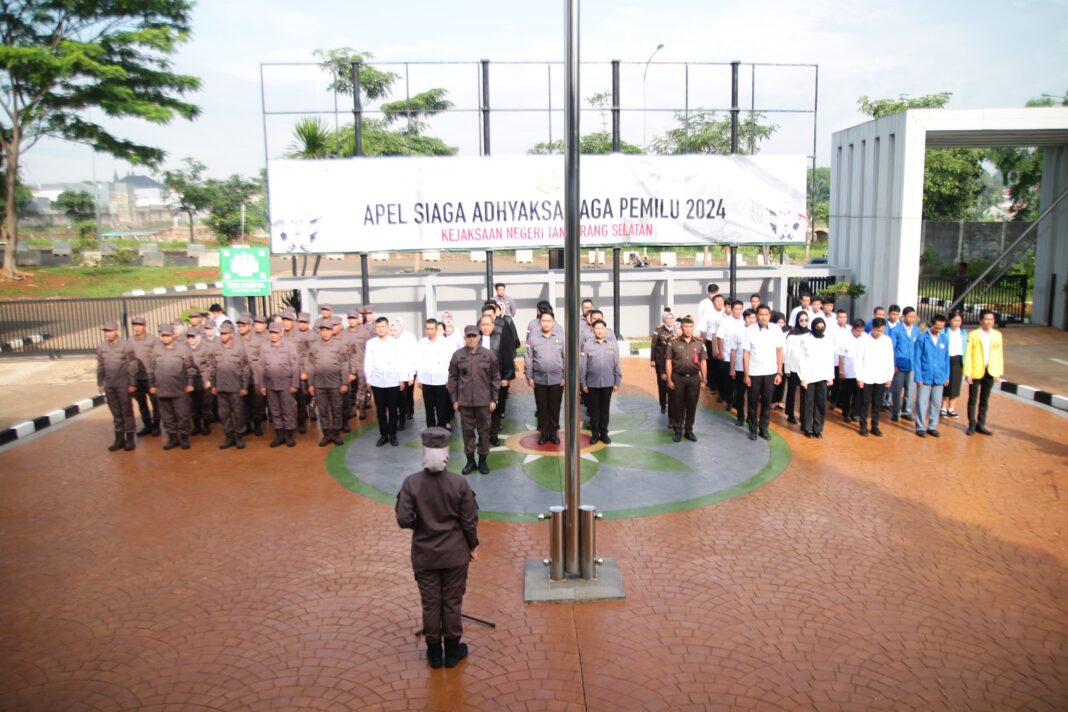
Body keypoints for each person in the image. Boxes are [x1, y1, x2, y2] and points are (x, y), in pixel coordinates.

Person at [395, 427, 479, 669]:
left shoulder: (411, 483)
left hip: (425, 555)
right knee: (452, 602)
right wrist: (473, 545)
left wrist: (420, 525)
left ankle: (433, 654)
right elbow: (469, 521)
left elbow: (403, 519)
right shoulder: (459, 483)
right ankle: (452, 653)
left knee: (431, 604)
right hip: (455, 554)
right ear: (446, 453)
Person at [449, 324, 500, 475]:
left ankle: (483, 461)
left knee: (484, 431)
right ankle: (470, 461)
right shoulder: (457, 356)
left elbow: (495, 378)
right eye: (469, 336)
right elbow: (452, 378)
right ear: (464, 338)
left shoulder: (488, 355)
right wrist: (454, 399)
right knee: (467, 432)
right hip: (464, 402)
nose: (471, 339)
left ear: (479, 337)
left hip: (484, 402)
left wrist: (494, 399)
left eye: (474, 336)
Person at [149, 324, 196, 450]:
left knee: (182, 415)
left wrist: (190, 384)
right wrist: (151, 384)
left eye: (167, 335)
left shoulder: (183, 349)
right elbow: (151, 369)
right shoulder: (157, 349)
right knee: (167, 417)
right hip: (162, 389)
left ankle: (184, 438)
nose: (165, 338)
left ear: (173, 335)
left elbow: (190, 368)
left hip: (179, 389)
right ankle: (173, 438)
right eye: (163, 335)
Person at [307, 319, 351, 447]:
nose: (325, 333)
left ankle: (336, 434)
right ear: (320, 332)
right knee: (322, 411)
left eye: (328, 330)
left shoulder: (340, 346)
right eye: (323, 330)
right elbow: (311, 366)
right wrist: (310, 384)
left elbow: (344, 365)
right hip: (319, 385)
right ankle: (326, 434)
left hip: (335, 384)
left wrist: (344, 383)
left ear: (332, 331)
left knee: (336, 410)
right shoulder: (314, 346)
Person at [743, 305, 784, 441]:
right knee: (752, 402)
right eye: (761, 314)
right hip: (754, 372)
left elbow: (779, 351)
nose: (763, 317)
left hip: (770, 372)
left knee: (767, 402)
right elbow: (746, 353)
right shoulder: (750, 330)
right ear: (756, 315)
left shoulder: (776, 329)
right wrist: (746, 374)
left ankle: (764, 429)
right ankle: (753, 429)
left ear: (770, 315)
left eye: (766, 314)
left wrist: (779, 372)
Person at [524, 311, 565, 445]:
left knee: (554, 407)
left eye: (549, 321)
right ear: (539, 322)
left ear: (553, 322)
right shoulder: (533, 338)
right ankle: (543, 432)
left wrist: (565, 376)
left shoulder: (561, 337)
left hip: (557, 379)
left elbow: (566, 357)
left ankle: (553, 432)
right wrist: (529, 376)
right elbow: (528, 357)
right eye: (543, 321)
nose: (546, 323)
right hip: (539, 379)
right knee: (541, 407)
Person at [97, 320, 138, 452]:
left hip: (123, 384)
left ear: (116, 331)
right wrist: (100, 382)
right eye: (106, 331)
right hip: (110, 385)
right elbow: (100, 366)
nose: (108, 334)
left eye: (110, 331)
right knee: (116, 413)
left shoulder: (126, 346)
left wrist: (132, 383)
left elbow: (133, 365)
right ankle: (119, 439)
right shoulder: (102, 347)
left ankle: (130, 439)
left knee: (127, 411)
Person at [664, 316, 707, 442]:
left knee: (692, 405)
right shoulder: (673, 342)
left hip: (694, 379)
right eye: (686, 327)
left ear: (693, 328)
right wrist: (669, 380)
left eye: (690, 327)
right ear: (681, 328)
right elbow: (668, 361)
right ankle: (677, 430)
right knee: (677, 404)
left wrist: (704, 379)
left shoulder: (699, 343)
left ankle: (689, 430)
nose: (688, 329)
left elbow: (703, 362)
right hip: (678, 378)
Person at [580, 319, 622, 444]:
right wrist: (583, 383)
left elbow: (616, 364)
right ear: (593, 330)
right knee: (594, 410)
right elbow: (583, 366)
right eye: (597, 328)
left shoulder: (612, 345)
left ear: (606, 330)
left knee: (605, 410)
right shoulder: (587, 345)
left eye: (601, 328)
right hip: (592, 383)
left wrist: (617, 381)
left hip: (608, 383)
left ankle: (604, 433)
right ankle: (595, 434)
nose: (599, 331)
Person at [365, 316, 405, 446]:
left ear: (387, 327)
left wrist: (401, 379)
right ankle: (383, 435)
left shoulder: (395, 343)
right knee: (380, 411)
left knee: (393, 410)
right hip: (377, 382)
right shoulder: (371, 343)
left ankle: (392, 434)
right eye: (378, 327)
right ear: (375, 328)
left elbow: (400, 361)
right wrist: (368, 379)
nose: (380, 329)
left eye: (383, 326)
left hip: (392, 381)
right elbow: (368, 362)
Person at [259, 322, 300, 447]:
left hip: (286, 384)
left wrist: (294, 384)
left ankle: (289, 435)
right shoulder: (264, 347)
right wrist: (262, 385)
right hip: (271, 384)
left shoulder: (289, 346)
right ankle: (279, 435)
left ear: (281, 333)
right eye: (271, 332)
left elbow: (295, 366)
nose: (273, 335)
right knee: (274, 410)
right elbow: (261, 367)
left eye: (276, 333)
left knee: (288, 410)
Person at [478, 314, 517, 446]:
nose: (485, 327)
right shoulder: (476, 338)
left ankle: (493, 435)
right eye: (483, 324)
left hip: (497, 379)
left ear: (493, 325)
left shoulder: (501, 337)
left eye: (488, 324)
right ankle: (482, 436)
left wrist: (507, 376)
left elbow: (507, 357)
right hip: (480, 381)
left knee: (496, 408)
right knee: (481, 410)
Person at [963, 309, 1003, 436]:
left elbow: (999, 354)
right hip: (976, 370)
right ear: (981, 320)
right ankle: (972, 424)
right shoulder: (973, 335)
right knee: (973, 399)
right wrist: (967, 372)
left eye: (991, 319)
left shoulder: (997, 335)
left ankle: (981, 424)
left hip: (990, 370)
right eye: (986, 319)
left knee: (984, 399)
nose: (989, 322)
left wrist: (998, 372)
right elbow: (968, 354)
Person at [211, 322, 250, 450]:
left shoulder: (239, 348)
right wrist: (213, 385)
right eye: (221, 333)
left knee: (238, 413)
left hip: (235, 387)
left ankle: (239, 436)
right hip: (221, 387)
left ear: (232, 334)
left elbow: (245, 369)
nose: (223, 336)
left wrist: (244, 386)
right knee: (224, 414)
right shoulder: (216, 348)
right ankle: (229, 436)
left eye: (225, 333)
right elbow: (213, 367)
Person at [854, 317, 894, 437]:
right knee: (865, 402)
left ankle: (875, 426)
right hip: (867, 377)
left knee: (877, 403)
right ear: (872, 328)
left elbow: (890, 359)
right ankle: (863, 426)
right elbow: (858, 359)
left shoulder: (887, 341)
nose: (879, 333)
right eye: (877, 330)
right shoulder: (863, 340)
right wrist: (859, 377)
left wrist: (889, 376)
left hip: (881, 376)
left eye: (881, 331)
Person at [912, 314, 950, 438]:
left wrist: (946, 376)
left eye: (941, 328)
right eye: (936, 327)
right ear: (932, 325)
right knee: (922, 402)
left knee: (936, 403)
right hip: (925, 375)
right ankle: (920, 427)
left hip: (939, 376)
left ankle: (932, 426)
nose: (938, 330)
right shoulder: (922, 338)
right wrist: (918, 376)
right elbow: (917, 359)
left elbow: (946, 359)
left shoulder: (944, 339)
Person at [798, 317, 835, 438]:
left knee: (821, 403)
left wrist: (830, 376)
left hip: (823, 376)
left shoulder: (828, 340)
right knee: (808, 403)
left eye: (822, 327)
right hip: (809, 377)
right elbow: (801, 359)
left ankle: (817, 428)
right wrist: (803, 378)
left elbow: (830, 359)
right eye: (817, 327)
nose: (820, 329)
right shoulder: (806, 340)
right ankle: (807, 427)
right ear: (813, 327)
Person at [416, 318, 453, 428]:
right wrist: (419, 379)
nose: (430, 331)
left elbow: (448, 361)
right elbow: (419, 361)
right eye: (427, 329)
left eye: (432, 329)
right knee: (429, 408)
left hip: (441, 380)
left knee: (441, 407)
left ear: (436, 329)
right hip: (426, 381)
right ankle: (430, 430)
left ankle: (441, 428)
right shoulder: (422, 343)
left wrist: (448, 379)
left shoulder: (444, 342)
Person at [127, 315, 161, 436]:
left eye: (140, 325)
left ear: (145, 326)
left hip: (150, 377)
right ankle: (147, 425)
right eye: (135, 325)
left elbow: (158, 358)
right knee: (141, 404)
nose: (137, 328)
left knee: (156, 403)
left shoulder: (153, 340)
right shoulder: (129, 341)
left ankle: (156, 426)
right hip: (136, 378)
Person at [237, 315, 267, 436]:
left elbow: (263, 358)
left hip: (255, 374)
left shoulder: (259, 339)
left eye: (243, 326)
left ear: (250, 326)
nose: (241, 328)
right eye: (239, 326)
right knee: (243, 402)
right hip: (240, 375)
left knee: (257, 401)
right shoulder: (235, 338)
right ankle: (247, 425)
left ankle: (257, 424)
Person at [889, 306, 919, 422]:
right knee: (897, 390)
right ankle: (895, 411)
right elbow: (892, 348)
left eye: (914, 317)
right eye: (910, 316)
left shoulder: (916, 330)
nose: (912, 319)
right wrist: (894, 364)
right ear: (904, 317)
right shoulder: (896, 330)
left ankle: (907, 411)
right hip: (899, 365)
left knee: (910, 390)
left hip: (912, 364)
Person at [728, 308, 757, 427]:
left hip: (754, 370)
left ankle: (751, 418)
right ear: (744, 319)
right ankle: (740, 416)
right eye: (749, 317)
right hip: (740, 368)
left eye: (753, 317)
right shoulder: (737, 332)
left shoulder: (759, 332)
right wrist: (732, 368)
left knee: (753, 396)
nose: (752, 320)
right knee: (740, 394)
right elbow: (733, 351)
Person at [185, 327, 214, 436]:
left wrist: (209, 380)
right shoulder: (184, 349)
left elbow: (211, 366)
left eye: (193, 337)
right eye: (189, 337)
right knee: (192, 406)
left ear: (198, 337)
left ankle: (206, 426)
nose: (191, 339)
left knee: (205, 405)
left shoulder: (206, 349)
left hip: (203, 380)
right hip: (190, 381)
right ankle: (197, 426)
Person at [715, 299, 744, 408]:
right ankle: (729, 400)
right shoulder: (726, 321)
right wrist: (721, 353)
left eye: (740, 309)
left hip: (740, 357)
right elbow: (720, 338)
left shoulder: (744, 321)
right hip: (727, 355)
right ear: (732, 309)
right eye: (736, 309)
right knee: (727, 381)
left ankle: (737, 401)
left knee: (739, 381)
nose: (738, 311)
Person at [782, 312, 810, 425]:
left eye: (806, 320)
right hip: (794, 366)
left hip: (806, 368)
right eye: (801, 320)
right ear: (797, 321)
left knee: (806, 392)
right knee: (792, 391)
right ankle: (790, 414)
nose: (804, 322)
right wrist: (787, 368)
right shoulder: (791, 335)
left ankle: (804, 415)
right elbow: (788, 352)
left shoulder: (810, 334)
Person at [836, 319, 866, 422]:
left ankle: (855, 412)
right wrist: (841, 371)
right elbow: (841, 355)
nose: (860, 333)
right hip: (848, 370)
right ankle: (846, 413)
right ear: (853, 329)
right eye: (858, 331)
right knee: (847, 393)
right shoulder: (845, 337)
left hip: (860, 371)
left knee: (858, 393)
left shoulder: (865, 337)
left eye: (862, 330)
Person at [391, 319, 418, 427]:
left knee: (407, 394)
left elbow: (412, 356)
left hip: (407, 373)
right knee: (396, 397)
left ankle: (408, 411)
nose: (393, 332)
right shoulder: (389, 341)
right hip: (393, 376)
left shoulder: (409, 337)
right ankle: (399, 414)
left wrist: (411, 374)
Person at [650, 311, 678, 414]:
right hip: (661, 362)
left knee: (673, 382)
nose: (670, 320)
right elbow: (653, 345)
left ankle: (672, 403)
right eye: (667, 318)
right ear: (663, 320)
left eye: (671, 318)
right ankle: (663, 404)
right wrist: (652, 359)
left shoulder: (677, 330)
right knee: (662, 383)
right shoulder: (659, 330)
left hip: (673, 362)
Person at [941, 312, 966, 419]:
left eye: (959, 321)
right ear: (949, 321)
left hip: (958, 360)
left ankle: (951, 408)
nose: (957, 323)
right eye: (954, 320)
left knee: (955, 385)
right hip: (947, 359)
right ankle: (943, 407)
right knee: (945, 384)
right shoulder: (944, 332)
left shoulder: (963, 333)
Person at [700, 293, 726, 396]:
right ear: (713, 303)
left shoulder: (726, 313)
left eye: (721, 301)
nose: (719, 303)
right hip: (711, 341)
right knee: (711, 364)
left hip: (724, 342)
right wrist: (702, 343)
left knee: (722, 365)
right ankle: (713, 385)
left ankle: (721, 386)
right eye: (717, 301)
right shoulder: (708, 314)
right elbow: (703, 329)